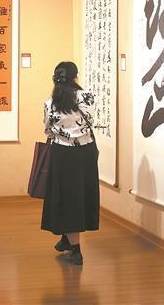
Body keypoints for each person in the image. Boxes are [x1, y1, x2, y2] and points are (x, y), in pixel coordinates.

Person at [41, 61, 100, 265]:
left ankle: (76, 250)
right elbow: (91, 121)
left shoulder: (50, 103)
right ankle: (67, 240)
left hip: (62, 154)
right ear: (75, 77)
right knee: (80, 196)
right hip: (85, 153)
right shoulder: (87, 97)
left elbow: (48, 130)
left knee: (65, 198)